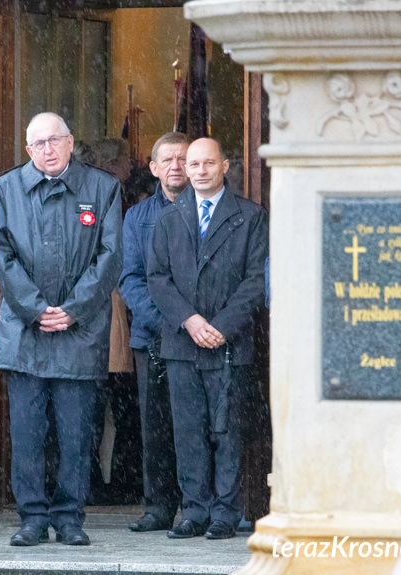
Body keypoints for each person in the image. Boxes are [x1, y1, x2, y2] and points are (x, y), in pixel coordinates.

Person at [0, 112, 123, 546]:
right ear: (28, 150)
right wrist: (34, 308)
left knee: (75, 433)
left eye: (55, 140)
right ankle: (30, 517)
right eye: (39, 143)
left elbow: (110, 255)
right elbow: (2, 253)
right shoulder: (7, 187)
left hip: (78, 331)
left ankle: (69, 517)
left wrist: (74, 308)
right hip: (25, 332)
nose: (47, 149)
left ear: (70, 142)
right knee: (26, 433)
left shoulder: (103, 188)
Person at [147, 137, 268, 540]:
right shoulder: (169, 217)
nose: (198, 170)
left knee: (228, 431)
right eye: (193, 163)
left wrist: (221, 326)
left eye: (207, 163)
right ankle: (194, 511)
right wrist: (191, 321)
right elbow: (157, 279)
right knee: (189, 432)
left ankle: (224, 514)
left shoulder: (250, 216)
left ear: (225, 165)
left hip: (230, 343)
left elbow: (256, 281)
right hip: (183, 343)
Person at [118, 132, 189, 532]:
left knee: (196, 423)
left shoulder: (206, 212)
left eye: (184, 158)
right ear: (154, 167)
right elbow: (131, 280)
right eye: (169, 159)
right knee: (156, 423)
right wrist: (167, 324)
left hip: (201, 339)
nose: (177, 166)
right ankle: (159, 506)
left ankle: (200, 504)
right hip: (154, 338)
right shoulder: (137, 217)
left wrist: (191, 324)